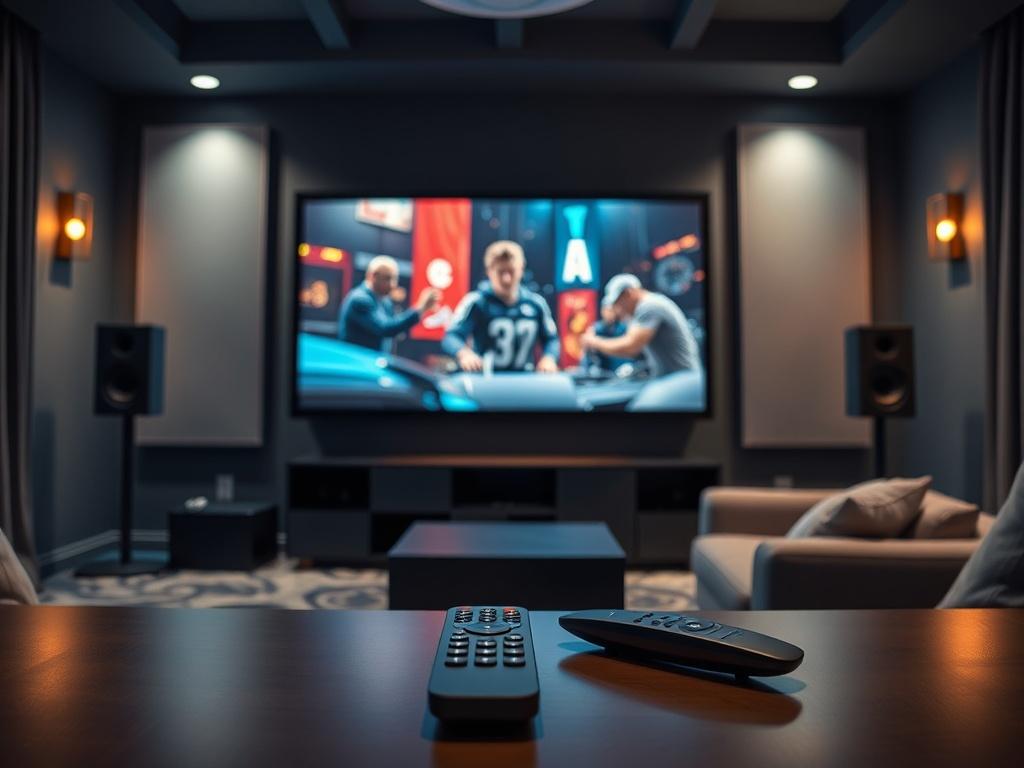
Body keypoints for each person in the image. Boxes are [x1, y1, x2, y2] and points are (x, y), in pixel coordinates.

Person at [442, 241, 560, 373]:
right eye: (500, 272)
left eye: (511, 271)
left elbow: (551, 339)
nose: (506, 279)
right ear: (489, 271)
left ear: (521, 269)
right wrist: (464, 354)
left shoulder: (536, 303)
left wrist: (549, 358)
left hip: (526, 382)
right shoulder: (476, 302)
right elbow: (451, 337)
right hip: (485, 382)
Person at [581, 273, 700, 378]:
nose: (618, 309)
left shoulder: (649, 306)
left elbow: (631, 347)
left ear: (629, 293)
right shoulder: (649, 305)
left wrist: (593, 342)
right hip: (674, 379)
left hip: (681, 380)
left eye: (618, 303)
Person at [338, 256, 439, 354]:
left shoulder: (384, 300)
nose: (392, 285)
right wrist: (420, 309)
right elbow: (385, 328)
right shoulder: (359, 300)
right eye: (387, 279)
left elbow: (394, 327)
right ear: (373, 276)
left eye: (394, 279)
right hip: (358, 365)